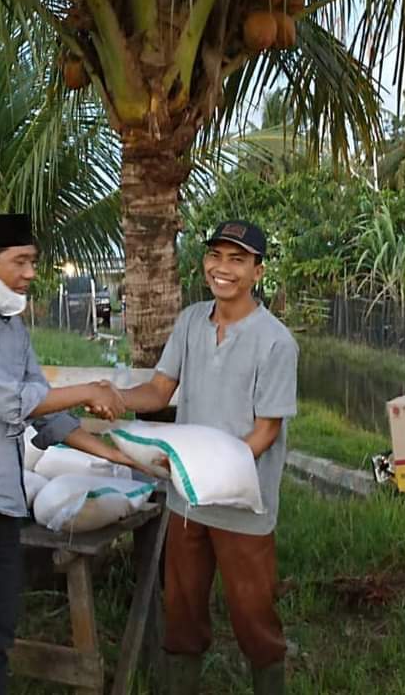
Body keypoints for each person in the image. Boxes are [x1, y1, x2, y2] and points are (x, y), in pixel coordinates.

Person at [0, 213, 138, 695]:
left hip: (3, 501)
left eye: (33, 261)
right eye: (21, 261)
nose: (31, 273)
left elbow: (43, 412)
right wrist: (88, 388)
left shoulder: (10, 324)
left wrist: (120, 459)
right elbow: (9, 398)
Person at [117, 220, 298, 695]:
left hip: (242, 505)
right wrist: (114, 400)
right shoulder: (192, 321)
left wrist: (217, 472)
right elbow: (160, 390)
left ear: (258, 270)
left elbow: (266, 429)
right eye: (216, 256)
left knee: (254, 618)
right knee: (182, 612)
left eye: (237, 260)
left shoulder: (275, 341)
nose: (223, 269)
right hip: (185, 503)